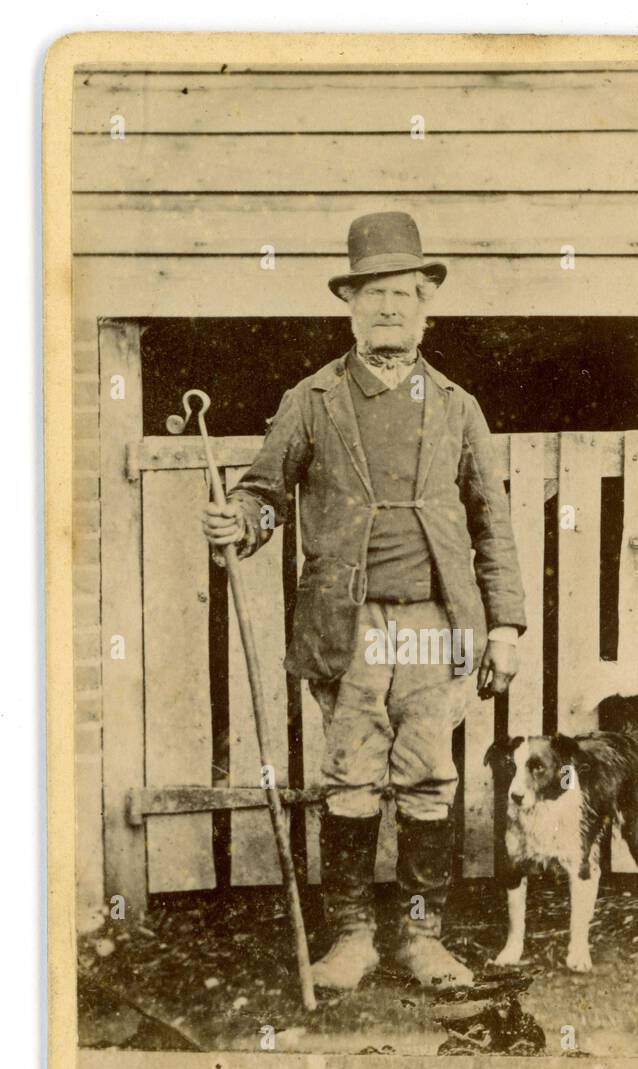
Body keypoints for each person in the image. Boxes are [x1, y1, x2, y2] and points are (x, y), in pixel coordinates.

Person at [203, 211, 526, 991]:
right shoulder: (311, 401)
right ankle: (352, 939)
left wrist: (506, 625)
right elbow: (264, 493)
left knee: (427, 777)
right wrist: (241, 521)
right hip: (347, 626)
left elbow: (493, 521)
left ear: (427, 308)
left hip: (433, 626)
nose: (389, 308)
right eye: (374, 293)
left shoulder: (457, 406)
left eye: (404, 294)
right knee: (351, 776)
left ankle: (421, 938)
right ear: (350, 305)